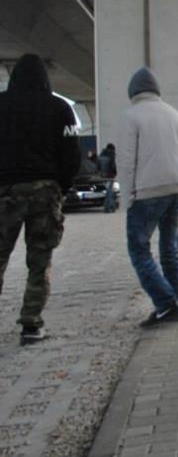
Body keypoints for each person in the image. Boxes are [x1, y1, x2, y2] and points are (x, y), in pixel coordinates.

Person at [0, 53, 81, 344]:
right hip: (45, 192)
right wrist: (63, 186)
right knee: (39, 260)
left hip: (4, 192)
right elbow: (72, 154)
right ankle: (31, 324)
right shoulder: (59, 108)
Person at [117, 68, 178, 328]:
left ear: (132, 92)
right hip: (175, 188)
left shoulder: (131, 116)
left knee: (139, 250)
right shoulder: (174, 114)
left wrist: (126, 198)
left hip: (146, 192)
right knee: (170, 250)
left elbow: (126, 162)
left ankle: (166, 303)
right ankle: (177, 303)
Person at [97, 142, 118, 212]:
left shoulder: (100, 156)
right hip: (110, 176)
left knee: (108, 191)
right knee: (110, 192)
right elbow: (113, 166)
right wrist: (115, 173)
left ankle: (108, 207)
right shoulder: (111, 155)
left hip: (102, 177)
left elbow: (97, 167)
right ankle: (110, 207)